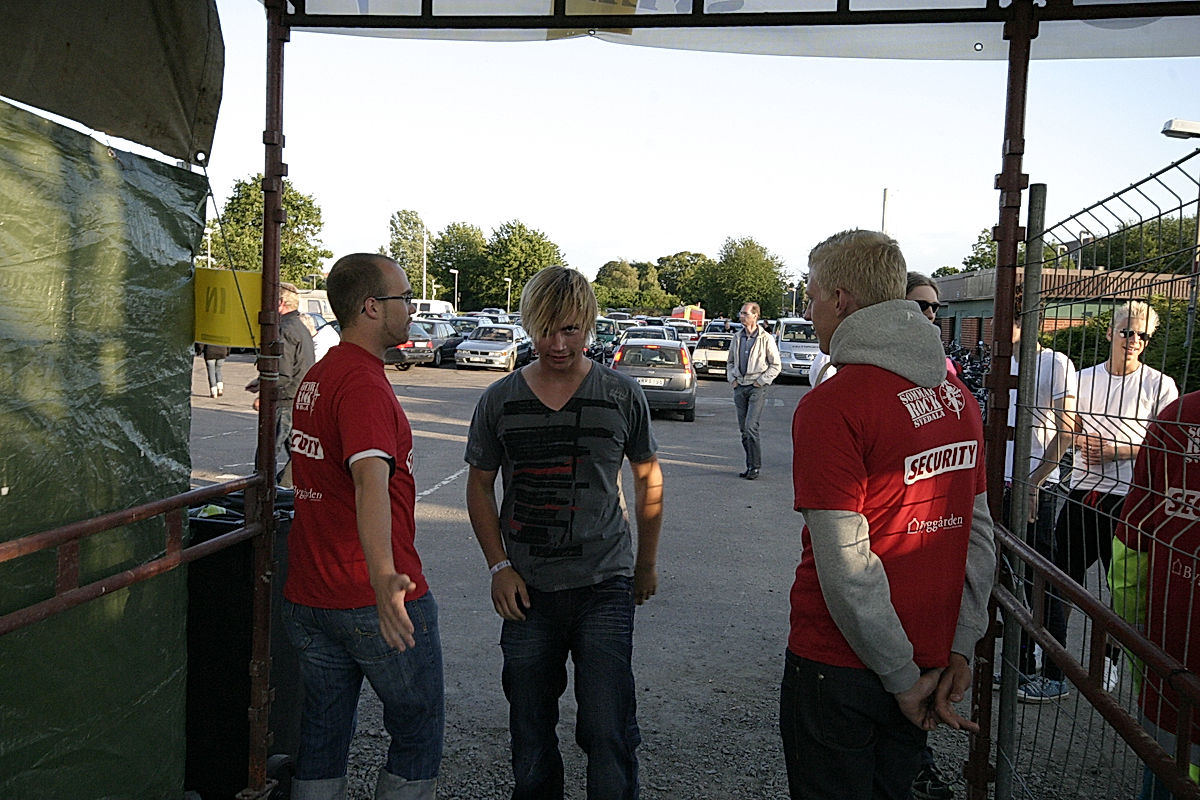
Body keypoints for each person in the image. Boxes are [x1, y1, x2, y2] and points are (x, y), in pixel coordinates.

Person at [781, 230, 994, 800]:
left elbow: (845, 562)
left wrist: (901, 679)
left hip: (839, 664)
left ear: (843, 300)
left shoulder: (833, 404)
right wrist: (958, 648)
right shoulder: (960, 400)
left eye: (813, 296)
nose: (810, 311)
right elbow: (978, 536)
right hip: (927, 656)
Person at [464, 265, 663, 800]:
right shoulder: (499, 400)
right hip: (527, 591)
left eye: (571, 330)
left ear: (589, 326)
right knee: (530, 732)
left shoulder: (622, 394)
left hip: (605, 584)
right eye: (547, 329)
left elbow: (648, 478)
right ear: (530, 324)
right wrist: (498, 566)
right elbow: (479, 487)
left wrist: (645, 564)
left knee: (607, 727)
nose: (557, 343)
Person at [283, 253, 443, 800]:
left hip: (312, 591)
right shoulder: (363, 385)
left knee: (324, 730)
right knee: (418, 730)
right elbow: (369, 483)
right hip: (371, 595)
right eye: (404, 299)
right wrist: (383, 581)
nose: (411, 311)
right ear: (372, 307)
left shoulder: (320, 374)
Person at [1042, 301, 1179, 701]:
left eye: (1142, 335)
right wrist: (1077, 439)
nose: (1133, 341)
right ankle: (1052, 657)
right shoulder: (1082, 380)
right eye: (1126, 331)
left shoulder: (1160, 385)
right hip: (1083, 491)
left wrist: (1120, 450)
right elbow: (1064, 427)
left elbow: (1165, 443)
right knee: (1062, 579)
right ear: (1110, 333)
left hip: (1130, 499)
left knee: (1121, 589)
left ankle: (1111, 661)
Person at [1111, 390, 1200, 800]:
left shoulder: (1181, 413)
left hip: (1175, 664)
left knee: (1168, 772)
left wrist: (1141, 656)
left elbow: (1130, 556)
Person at [994, 287, 1079, 704]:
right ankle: (1020, 665)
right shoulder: (1000, 365)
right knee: (1010, 577)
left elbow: (1066, 432)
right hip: (1003, 483)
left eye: (1010, 316)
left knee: (1041, 577)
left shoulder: (1054, 363)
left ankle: (1055, 671)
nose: (999, 325)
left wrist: (1034, 481)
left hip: (1036, 487)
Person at [246, 281, 316, 486]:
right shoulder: (300, 326)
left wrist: (264, 395)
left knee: (267, 454)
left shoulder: (284, 329)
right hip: (297, 398)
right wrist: (260, 382)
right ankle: (284, 488)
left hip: (285, 400)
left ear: (280, 303)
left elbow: (283, 374)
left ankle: (268, 492)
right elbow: (293, 367)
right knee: (298, 452)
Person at [727, 301, 781, 480]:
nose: (741, 316)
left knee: (751, 427)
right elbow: (730, 362)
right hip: (739, 387)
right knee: (743, 430)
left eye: (744, 313)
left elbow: (776, 365)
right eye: (740, 313)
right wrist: (732, 379)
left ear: (755, 316)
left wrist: (760, 381)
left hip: (756, 388)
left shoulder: (766, 338)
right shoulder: (737, 337)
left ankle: (755, 466)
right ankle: (749, 465)